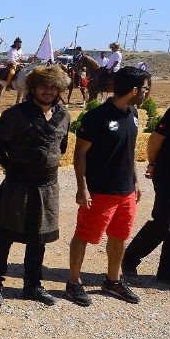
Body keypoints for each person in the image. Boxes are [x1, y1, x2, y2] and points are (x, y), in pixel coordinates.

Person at [0, 66, 71, 306]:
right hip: (18, 183)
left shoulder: (64, 115)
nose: (48, 91)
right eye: (43, 85)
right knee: (4, 236)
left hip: (47, 185)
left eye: (53, 86)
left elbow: (61, 147)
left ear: (60, 89)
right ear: (33, 87)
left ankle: (33, 285)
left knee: (38, 239)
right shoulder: (15, 115)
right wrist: (11, 167)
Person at [66, 66, 151, 306]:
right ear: (134, 90)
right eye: (145, 88)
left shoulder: (134, 113)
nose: (147, 93)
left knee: (120, 236)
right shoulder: (96, 117)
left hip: (126, 192)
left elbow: (130, 150)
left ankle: (113, 280)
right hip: (99, 192)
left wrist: (135, 181)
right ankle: (74, 282)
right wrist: (82, 187)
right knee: (84, 235)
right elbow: (79, 153)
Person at [124, 93, 170, 291]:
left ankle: (168, 271)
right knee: (164, 223)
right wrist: (153, 163)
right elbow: (155, 139)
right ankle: (129, 259)